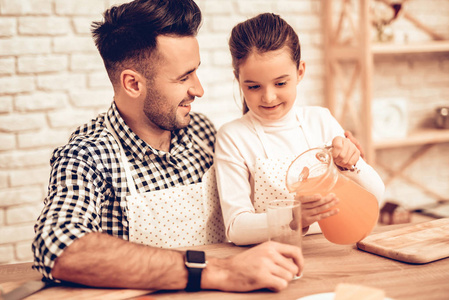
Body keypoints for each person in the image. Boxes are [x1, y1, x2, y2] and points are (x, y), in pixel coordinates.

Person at [32, 1, 303, 293]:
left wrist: (333, 158)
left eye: (195, 72)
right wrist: (218, 271)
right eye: (183, 77)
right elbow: (57, 246)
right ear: (133, 84)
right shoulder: (88, 156)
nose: (199, 89)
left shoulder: (202, 131)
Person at [215, 13, 385, 246]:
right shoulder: (233, 137)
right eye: (253, 86)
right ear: (238, 79)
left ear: (300, 72)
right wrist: (294, 217)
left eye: (280, 83)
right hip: (271, 256)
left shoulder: (320, 120)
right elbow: (236, 228)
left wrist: (352, 165)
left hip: (333, 250)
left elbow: (376, 195)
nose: (268, 96)